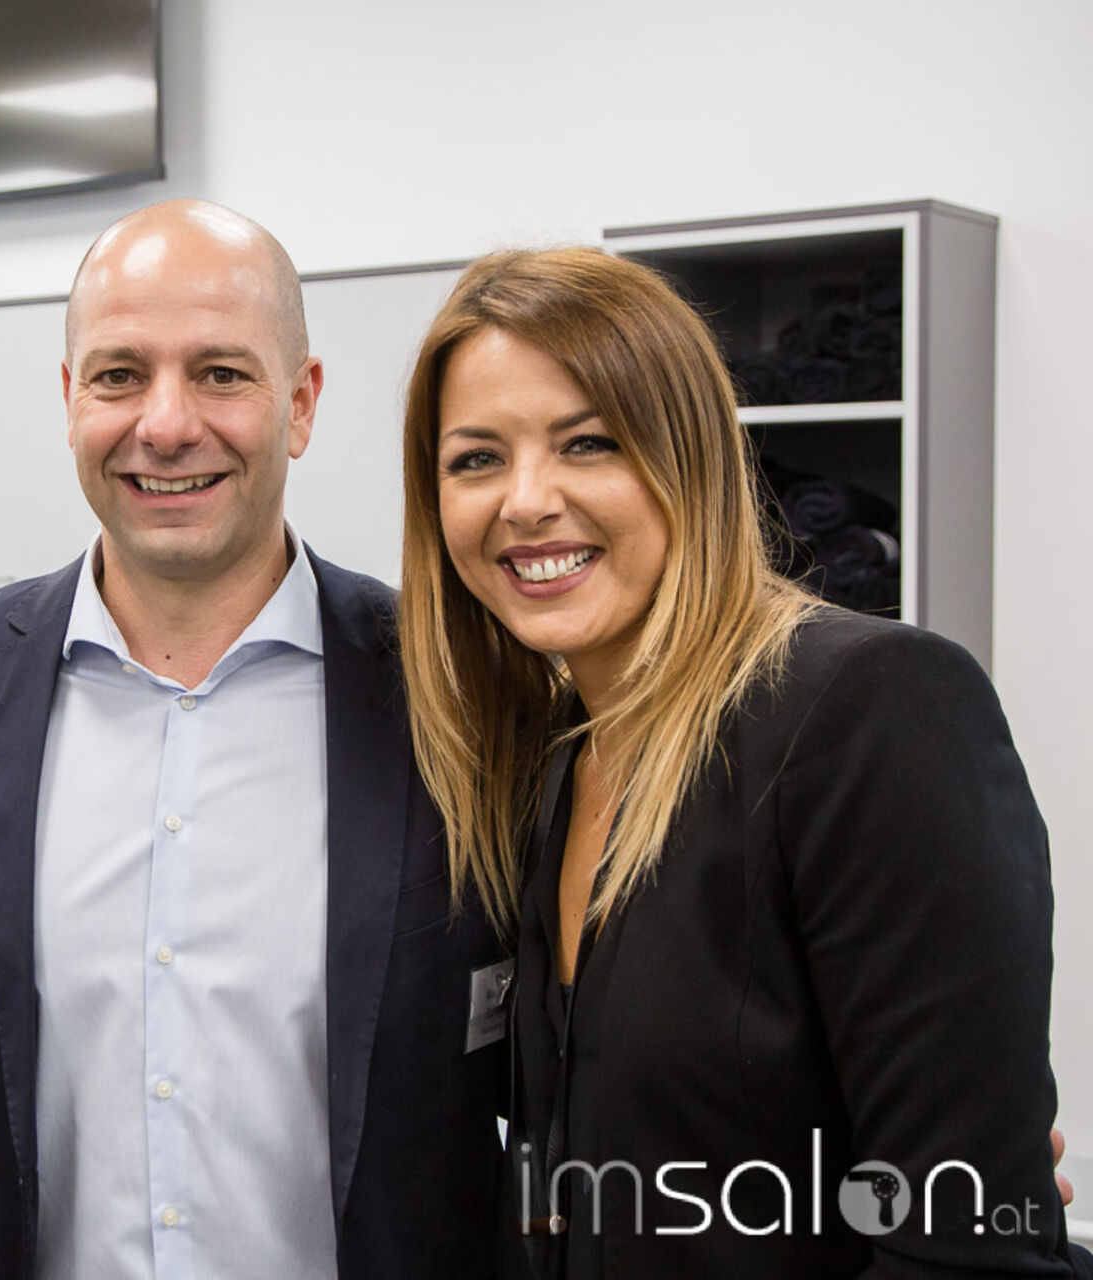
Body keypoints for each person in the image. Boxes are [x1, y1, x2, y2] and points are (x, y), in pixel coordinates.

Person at [397, 245, 1090, 1276]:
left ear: (689, 456)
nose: (526, 500)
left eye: (588, 443)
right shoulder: (556, 757)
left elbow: (964, 1240)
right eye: (476, 459)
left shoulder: (868, 706)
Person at [0, 198, 510, 1278]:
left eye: (222, 373)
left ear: (302, 403)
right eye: (119, 375)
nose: (167, 424)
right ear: (69, 397)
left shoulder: (451, 679)